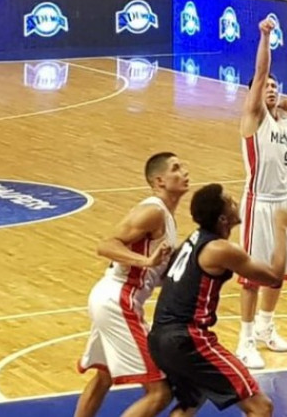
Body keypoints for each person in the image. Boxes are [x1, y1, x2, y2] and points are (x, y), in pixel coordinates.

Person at [148, 183, 287, 416]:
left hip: (160, 337)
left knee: (191, 400)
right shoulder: (220, 249)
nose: (236, 203)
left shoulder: (193, 239)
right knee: (261, 407)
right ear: (224, 219)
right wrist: (281, 229)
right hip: (187, 339)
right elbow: (274, 278)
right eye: (231, 201)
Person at [74, 153, 189, 417]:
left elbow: (156, 275)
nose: (185, 172)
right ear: (159, 180)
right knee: (159, 392)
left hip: (110, 297)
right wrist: (146, 260)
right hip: (119, 300)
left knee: (104, 377)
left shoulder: (167, 216)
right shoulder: (152, 211)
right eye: (176, 168)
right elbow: (106, 245)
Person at [236, 17, 287, 369]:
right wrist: (266, 36)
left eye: (273, 85)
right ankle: (245, 340)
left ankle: (267, 328)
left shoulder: (286, 115)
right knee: (252, 278)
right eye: (264, 85)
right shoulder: (254, 116)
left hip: (284, 201)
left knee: (278, 271)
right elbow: (261, 66)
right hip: (259, 202)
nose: (270, 88)